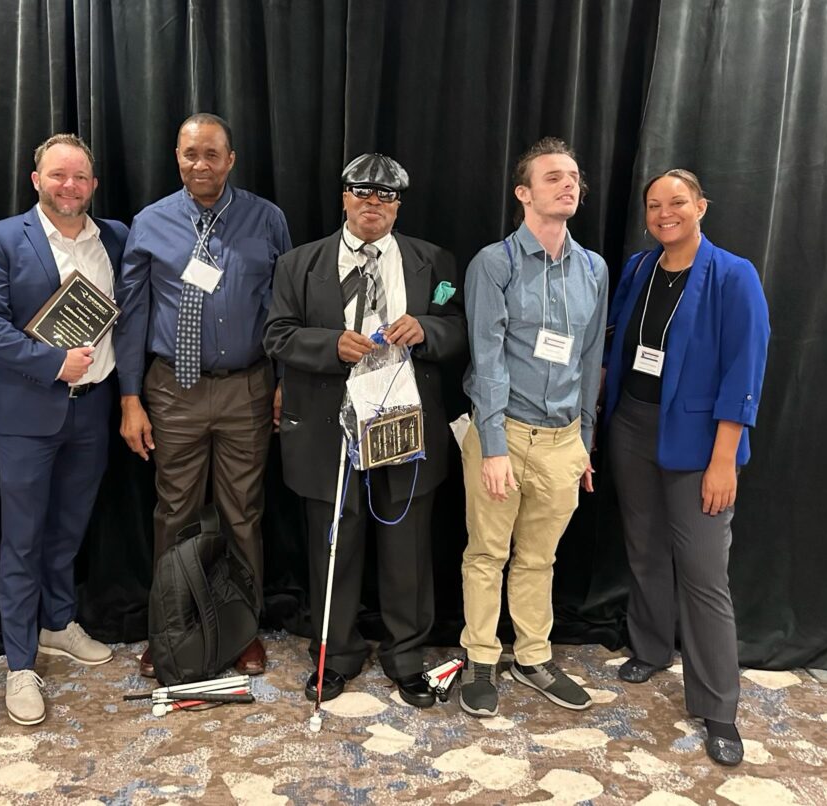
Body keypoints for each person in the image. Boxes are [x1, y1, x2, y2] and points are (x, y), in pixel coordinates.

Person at [264, 153, 467, 707]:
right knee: (334, 542)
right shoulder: (299, 264)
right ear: (344, 197)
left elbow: (458, 328)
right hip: (328, 428)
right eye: (362, 192)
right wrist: (329, 344)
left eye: (386, 195)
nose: (373, 203)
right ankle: (335, 654)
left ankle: (407, 655)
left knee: (407, 545)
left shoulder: (433, 261)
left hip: (403, 423)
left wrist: (427, 330)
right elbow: (277, 334)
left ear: (398, 205)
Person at [603, 169, 769, 766]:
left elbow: (744, 370)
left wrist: (725, 460)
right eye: (654, 205)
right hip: (631, 426)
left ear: (701, 206)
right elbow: (619, 344)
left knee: (703, 574)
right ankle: (651, 648)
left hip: (699, 443)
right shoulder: (640, 269)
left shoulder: (733, 275)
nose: (664, 213)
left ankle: (718, 707)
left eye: (677, 202)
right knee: (644, 548)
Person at [116, 113, 291, 679]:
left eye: (212, 154)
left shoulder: (267, 219)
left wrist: (284, 382)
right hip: (174, 390)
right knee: (175, 513)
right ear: (177, 156)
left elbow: (284, 308)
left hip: (247, 387)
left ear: (230, 159)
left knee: (243, 514)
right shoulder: (150, 222)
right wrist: (130, 398)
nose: (201, 164)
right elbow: (132, 315)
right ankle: (170, 630)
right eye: (191, 153)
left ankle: (241, 630)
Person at [0, 133, 129, 726]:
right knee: (23, 539)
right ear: (36, 179)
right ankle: (19, 663)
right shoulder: (2, 238)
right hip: (28, 415)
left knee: (68, 529)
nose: (69, 186)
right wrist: (51, 361)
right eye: (58, 175)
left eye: (80, 176)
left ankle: (58, 623)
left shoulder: (115, 237)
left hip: (93, 410)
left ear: (93, 184)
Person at [459, 137, 608, 717]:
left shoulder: (593, 268)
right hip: (504, 433)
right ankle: (480, 657)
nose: (568, 184)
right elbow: (487, 359)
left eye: (573, 177)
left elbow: (590, 359)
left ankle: (533, 657)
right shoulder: (494, 264)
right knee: (487, 553)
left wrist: (584, 444)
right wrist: (494, 446)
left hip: (562, 441)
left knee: (539, 559)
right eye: (553, 177)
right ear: (524, 193)